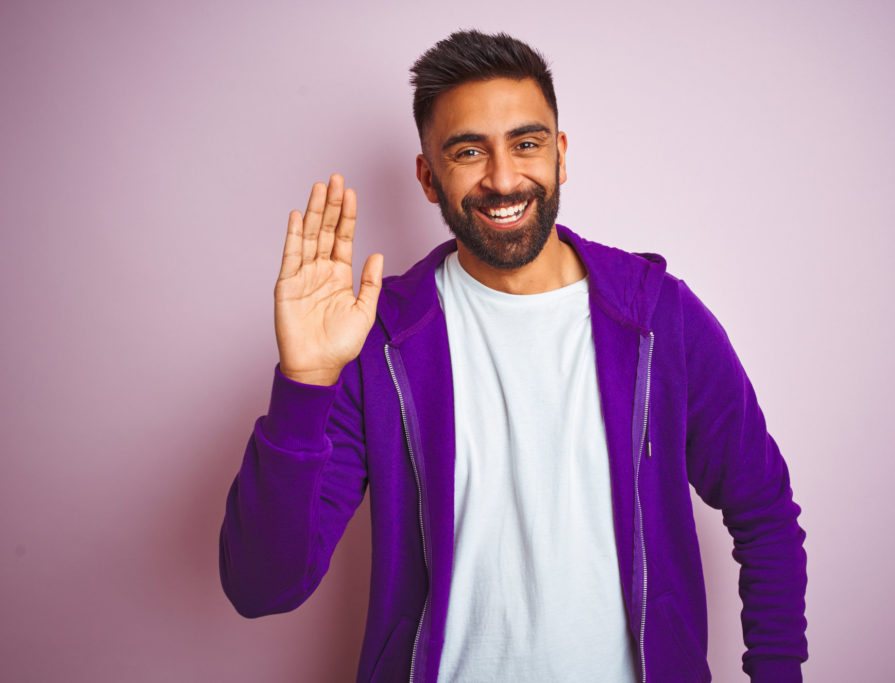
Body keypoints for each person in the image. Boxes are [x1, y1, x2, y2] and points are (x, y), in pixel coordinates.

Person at [219, 30, 808, 683]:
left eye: (526, 143)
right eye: (468, 151)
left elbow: (764, 510)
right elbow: (261, 585)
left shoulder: (658, 320)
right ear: (427, 176)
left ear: (560, 155)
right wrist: (305, 382)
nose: (503, 179)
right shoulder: (380, 342)